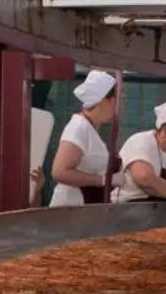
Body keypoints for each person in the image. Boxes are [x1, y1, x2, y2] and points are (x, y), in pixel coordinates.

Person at [49, 70, 122, 207]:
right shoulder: (78, 127)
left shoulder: (91, 129)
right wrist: (103, 180)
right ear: (105, 100)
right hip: (69, 210)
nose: (118, 107)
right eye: (117, 100)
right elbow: (59, 172)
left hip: (84, 211)